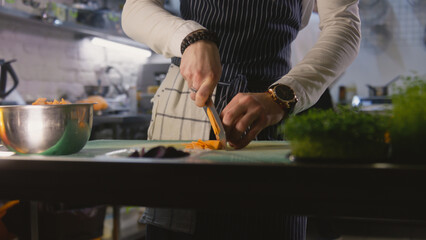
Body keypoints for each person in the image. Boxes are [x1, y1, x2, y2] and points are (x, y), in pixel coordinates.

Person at [122, 0, 361, 239]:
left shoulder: (276, 101)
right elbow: (134, 9)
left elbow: (343, 25)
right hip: (187, 112)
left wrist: (283, 95)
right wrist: (190, 37)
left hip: (270, 113)